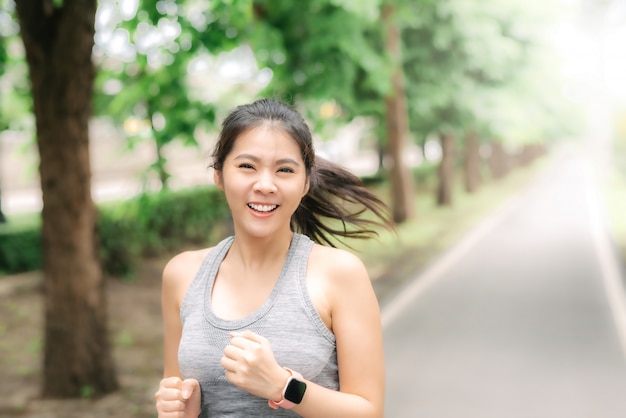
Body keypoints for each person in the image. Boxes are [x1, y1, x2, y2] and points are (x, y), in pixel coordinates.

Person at [154, 98, 394, 417]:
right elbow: (179, 395)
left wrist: (283, 386)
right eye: (247, 166)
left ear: (305, 182)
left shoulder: (340, 274)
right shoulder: (181, 274)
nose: (265, 185)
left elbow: (370, 412)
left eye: (284, 170)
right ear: (219, 175)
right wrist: (180, 411)